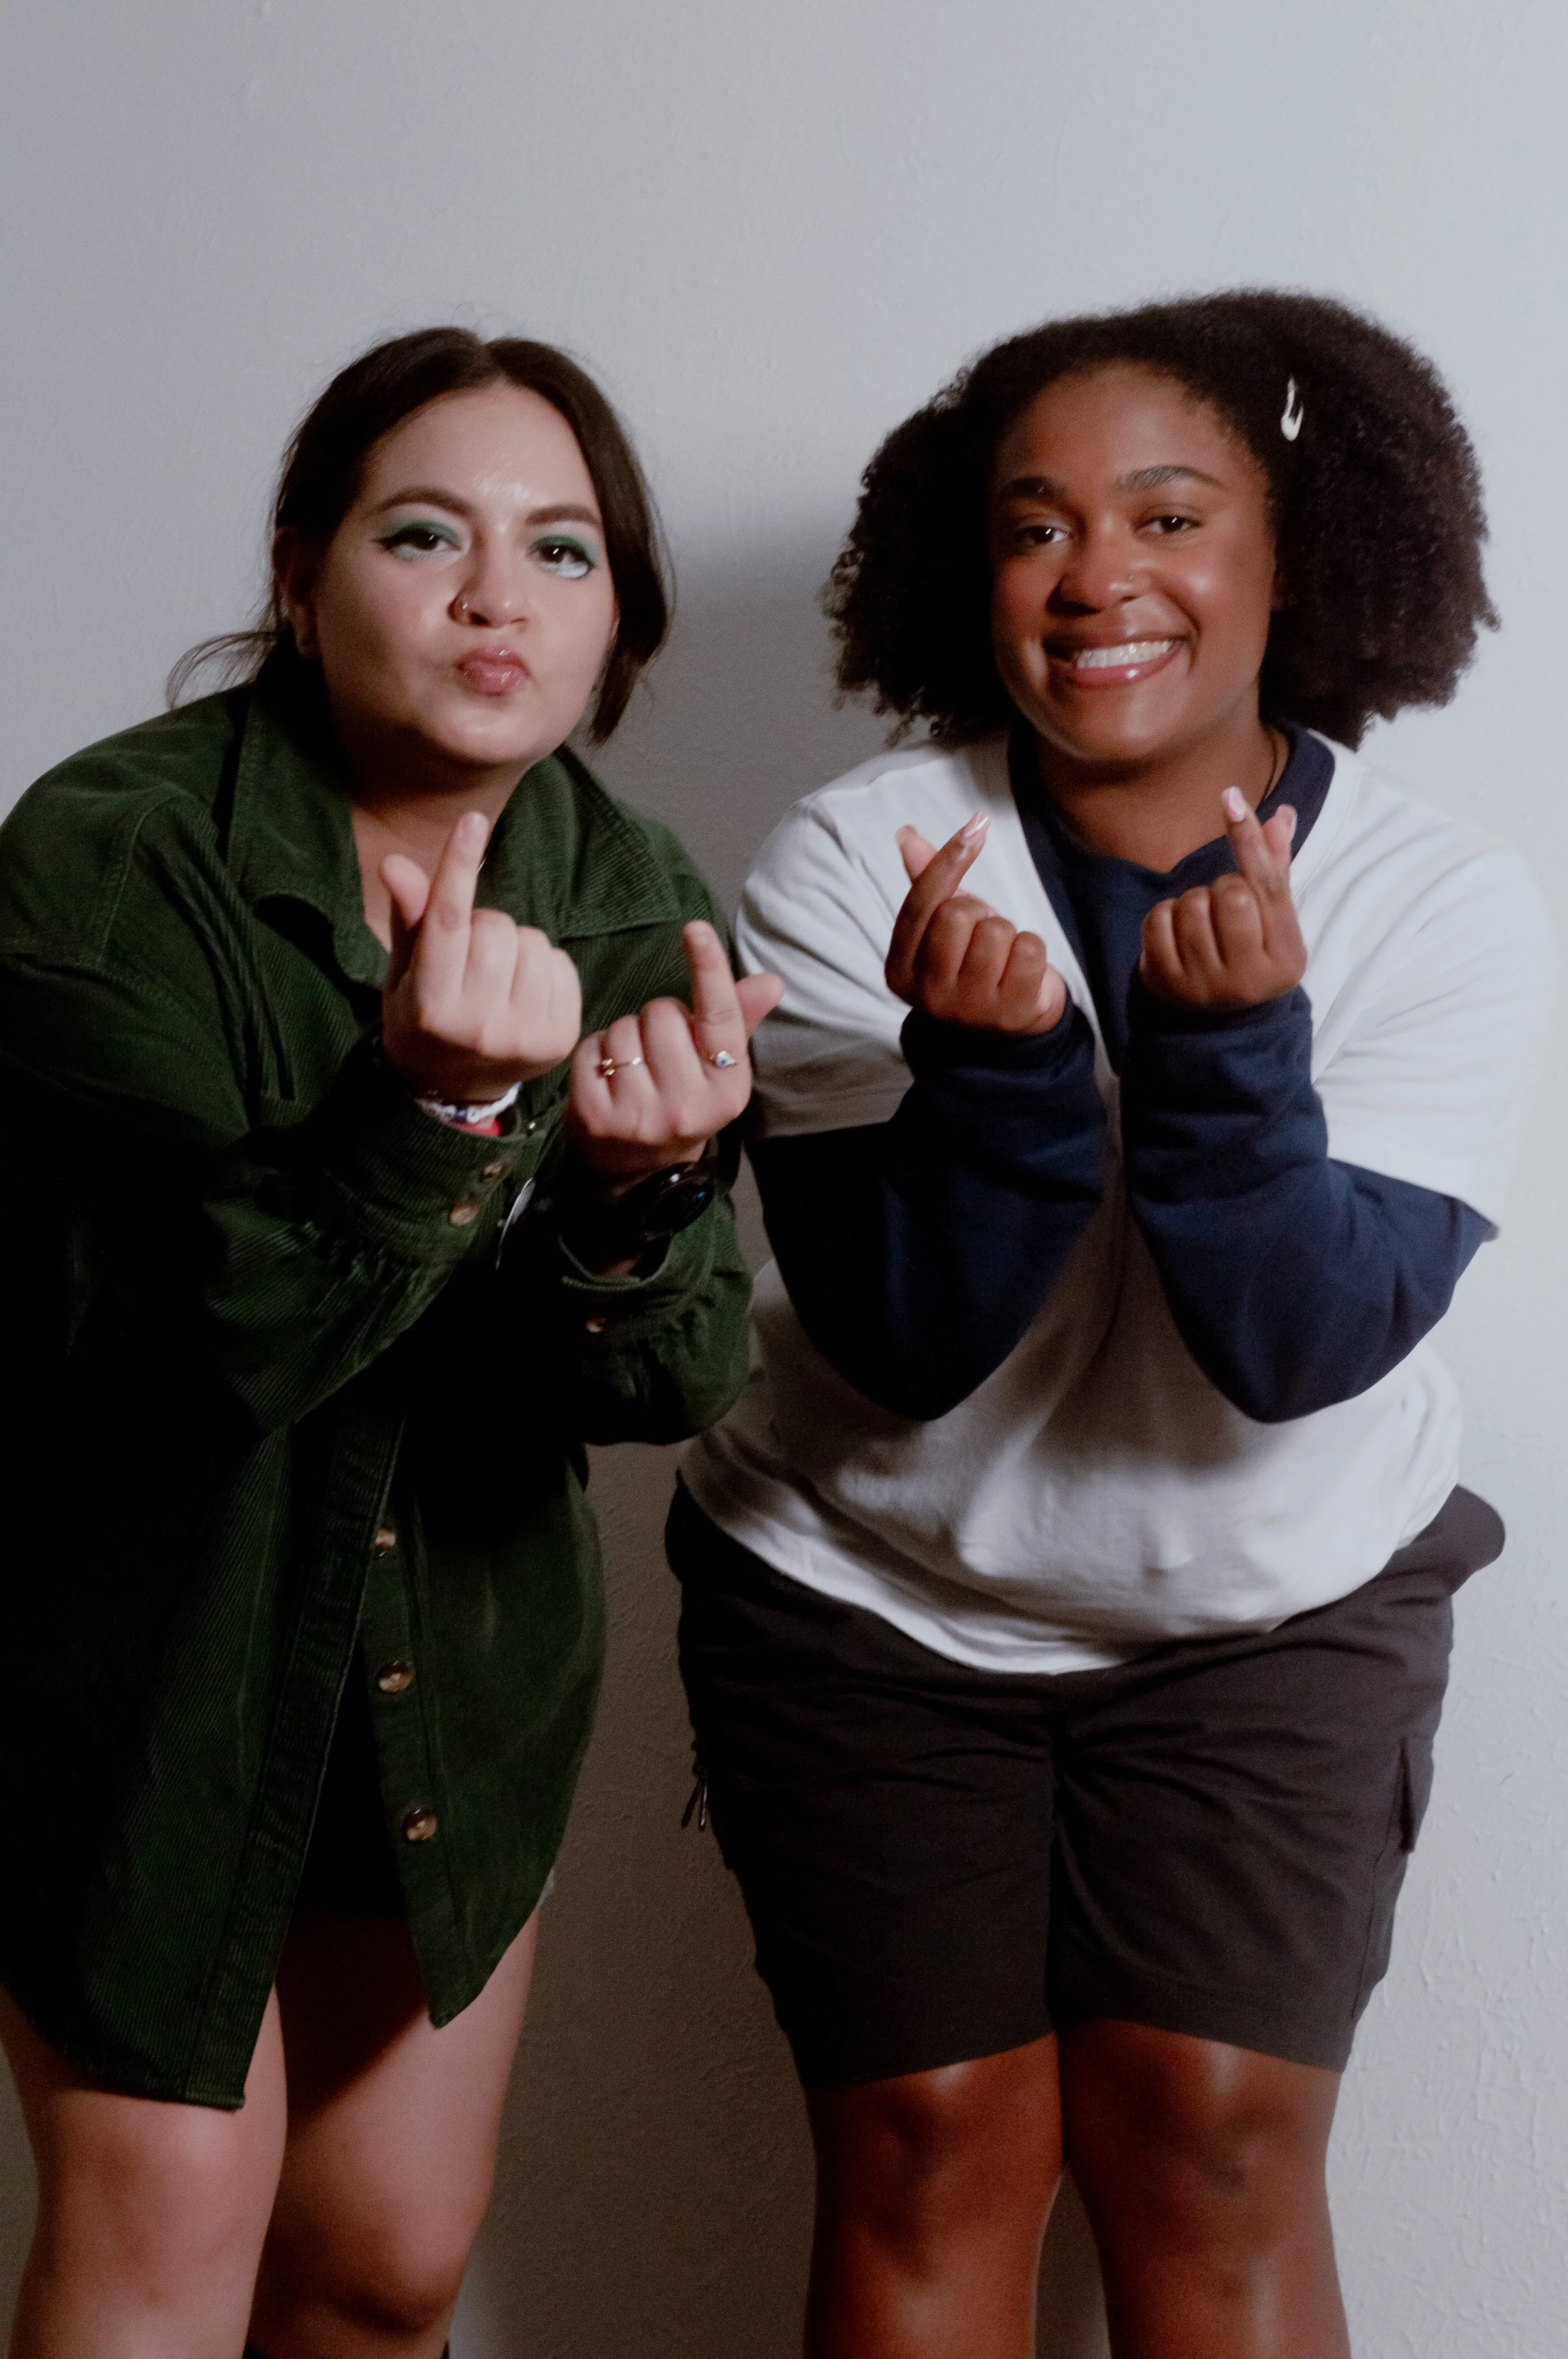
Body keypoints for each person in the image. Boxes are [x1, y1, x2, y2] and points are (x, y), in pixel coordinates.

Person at [670, 291, 1552, 2359]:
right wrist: (984, 1090)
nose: (1096, 582)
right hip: (866, 1601)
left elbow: (1294, 1344)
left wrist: (1233, 1055)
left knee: (1217, 2144)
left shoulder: (1437, 899)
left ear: (1294, 551)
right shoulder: (848, 858)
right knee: (924, 2144)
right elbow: (901, 1341)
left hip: (1276, 1600)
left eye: (1169, 515)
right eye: (1033, 525)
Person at [0, 326, 779, 2359]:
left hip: (452, 1679)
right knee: (160, 2247)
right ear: (295, 572)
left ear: (618, 629)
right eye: (423, 531)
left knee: (380, 2271)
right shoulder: (108, 861)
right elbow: (184, 1355)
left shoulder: (628, 894)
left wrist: (634, 1199)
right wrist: (429, 1114)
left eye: (563, 550)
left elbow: (668, 1379)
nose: (495, 595)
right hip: (141, 1663)